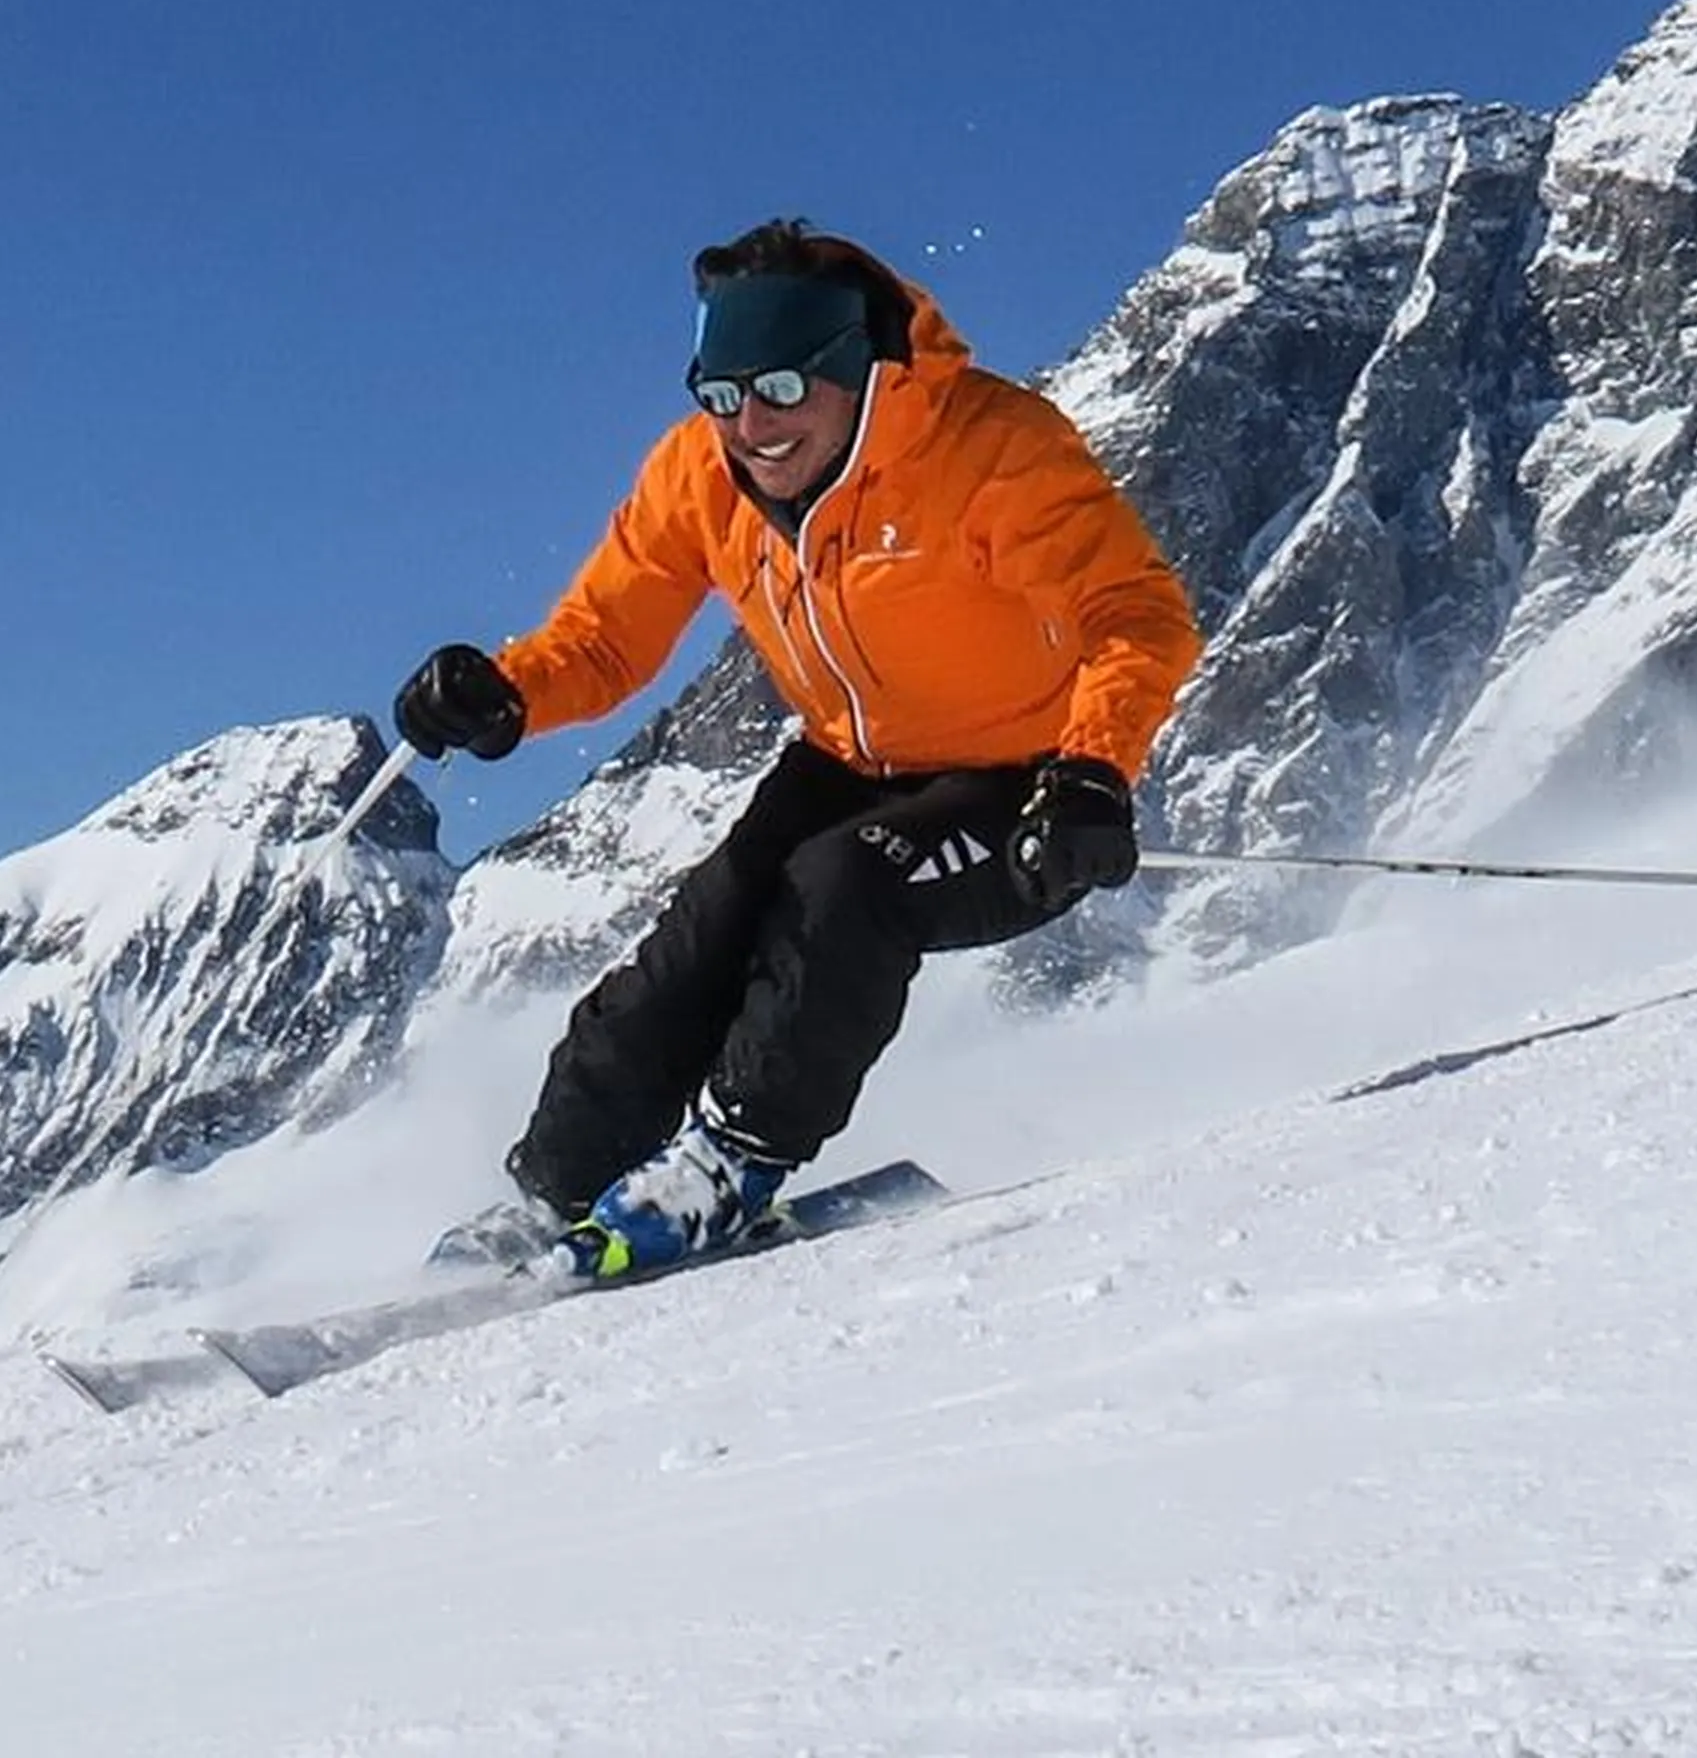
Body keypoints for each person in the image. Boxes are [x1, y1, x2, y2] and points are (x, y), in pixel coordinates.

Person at [390, 219, 1201, 1277]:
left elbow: (1136, 614)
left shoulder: (990, 452)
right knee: (707, 931)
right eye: (721, 393)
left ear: (856, 370)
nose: (751, 426)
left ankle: (729, 1165)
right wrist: (505, 697)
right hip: (849, 760)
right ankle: (557, 1189)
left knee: (842, 887)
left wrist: (1094, 771)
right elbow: (604, 637)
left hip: (1029, 781)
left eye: (779, 387)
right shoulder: (701, 476)